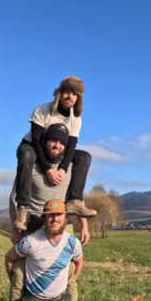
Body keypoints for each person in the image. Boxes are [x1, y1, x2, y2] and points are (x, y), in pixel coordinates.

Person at [5, 123, 90, 301]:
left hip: (59, 222)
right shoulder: (31, 163)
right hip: (32, 222)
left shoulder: (68, 167)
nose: (57, 145)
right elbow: (14, 199)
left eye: (62, 142)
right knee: (19, 275)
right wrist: (15, 228)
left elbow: (75, 201)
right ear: (44, 142)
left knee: (68, 275)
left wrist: (84, 225)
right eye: (53, 140)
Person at [14, 76, 96, 231]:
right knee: (27, 155)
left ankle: (74, 201)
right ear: (60, 93)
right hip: (32, 146)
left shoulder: (76, 118)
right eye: (67, 92)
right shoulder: (42, 110)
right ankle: (23, 208)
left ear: (78, 98)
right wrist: (48, 169)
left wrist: (62, 169)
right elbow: (37, 142)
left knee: (84, 157)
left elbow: (71, 147)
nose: (70, 96)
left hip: (56, 150)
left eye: (74, 93)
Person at [4, 199, 83, 301]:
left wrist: (70, 280)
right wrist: (12, 276)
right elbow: (9, 257)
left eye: (58, 214)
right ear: (44, 218)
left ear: (65, 218)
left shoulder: (73, 242)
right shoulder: (31, 242)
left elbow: (79, 262)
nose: (54, 219)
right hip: (36, 300)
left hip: (60, 300)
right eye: (50, 215)